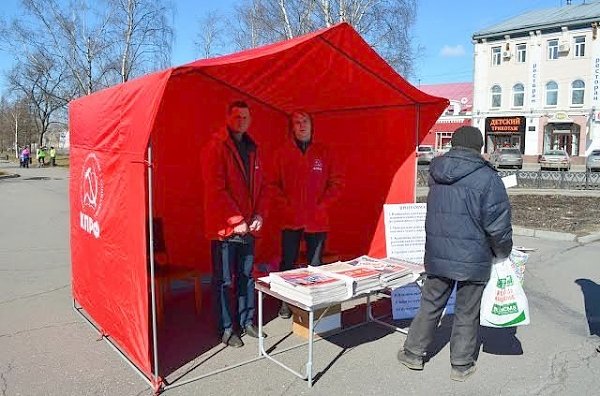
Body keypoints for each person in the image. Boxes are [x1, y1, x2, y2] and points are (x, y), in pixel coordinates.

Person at [397, 126, 513, 381]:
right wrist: (503, 252)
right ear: (479, 148)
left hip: (438, 254)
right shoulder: (487, 177)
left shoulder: (436, 171)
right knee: (467, 311)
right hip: (474, 257)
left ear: (453, 145)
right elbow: (498, 224)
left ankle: (413, 353)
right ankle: (460, 365)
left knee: (430, 304)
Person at [202, 100, 267, 348]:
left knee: (246, 276)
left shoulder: (253, 149)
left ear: (250, 120)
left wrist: (259, 214)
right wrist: (236, 219)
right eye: (237, 117)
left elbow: (262, 186)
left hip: (248, 227)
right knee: (224, 280)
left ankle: (247, 320)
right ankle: (227, 328)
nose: (241, 121)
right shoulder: (216, 147)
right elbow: (216, 189)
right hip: (225, 230)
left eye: (245, 117)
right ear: (228, 118)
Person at [270, 111, 344, 319]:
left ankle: (313, 305)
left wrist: (322, 204)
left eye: (305, 122)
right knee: (288, 263)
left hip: (317, 219)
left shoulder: (324, 152)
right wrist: (285, 205)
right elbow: (272, 185)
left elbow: (337, 182)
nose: (301, 126)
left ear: (312, 126)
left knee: (316, 265)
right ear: (291, 127)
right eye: (297, 122)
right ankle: (285, 303)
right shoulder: (281, 153)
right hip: (290, 218)